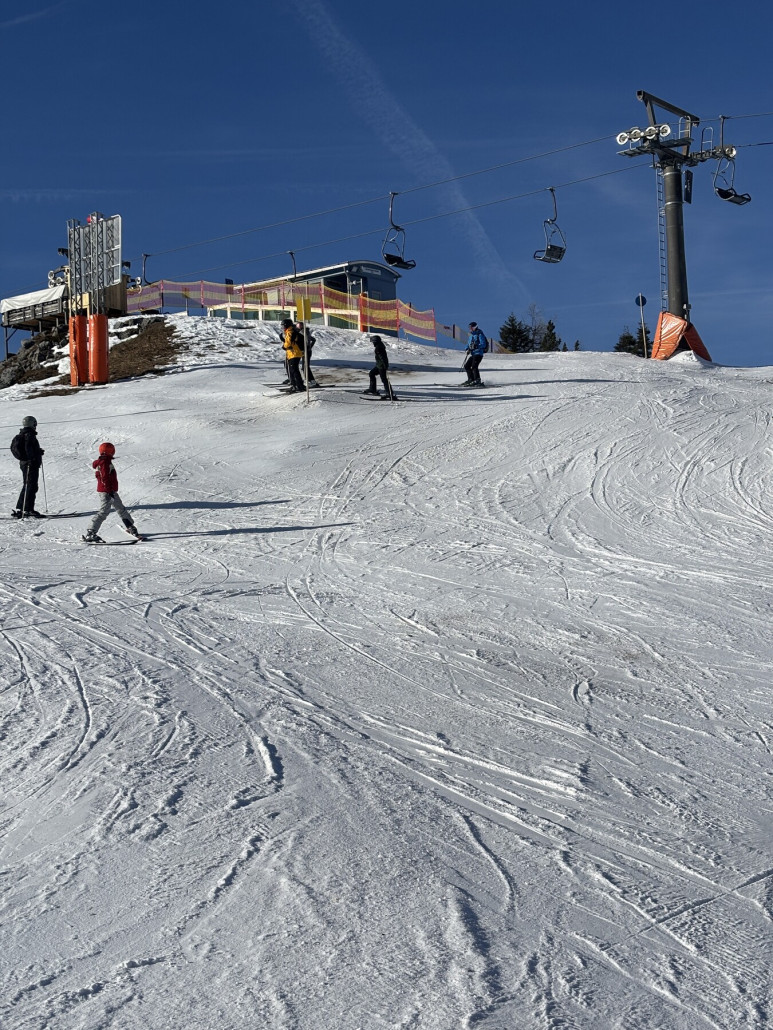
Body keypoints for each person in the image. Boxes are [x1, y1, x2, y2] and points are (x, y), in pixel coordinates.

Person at [82, 442, 142, 543]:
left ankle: (130, 526)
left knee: (120, 509)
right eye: (112, 450)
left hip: (110, 491)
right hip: (107, 491)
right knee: (104, 512)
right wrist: (109, 491)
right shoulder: (104, 462)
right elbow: (104, 478)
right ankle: (91, 533)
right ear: (110, 451)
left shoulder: (105, 461)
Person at [11, 415, 45, 518]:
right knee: (31, 486)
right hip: (30, 464)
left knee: (27, 485)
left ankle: (22, 508)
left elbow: (28, 449)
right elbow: (28, 449)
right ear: (32, 424)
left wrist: (38, 452)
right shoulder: (29, 435)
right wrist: (33, 458)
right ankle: (28, 509)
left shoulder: (23, 434)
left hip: (24, 463)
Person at [362, 334, 395, 399]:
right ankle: (372, 389)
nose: (372, 343)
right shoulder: (379, 346)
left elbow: (382, 357)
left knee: (384, 380)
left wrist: (385, 365)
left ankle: (389, 394)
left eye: (373, 342)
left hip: (382, 366)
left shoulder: (378, 348)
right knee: (371, 373)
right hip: (379, 365)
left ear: (375, 341)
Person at [281, 318, 305, 392]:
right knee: (293, 370)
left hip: (294, 353)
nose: (282, 328)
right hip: (293, 353)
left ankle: (298, 386)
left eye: (283, 326)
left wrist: (284, 346)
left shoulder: (290, 332)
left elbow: (288, 343)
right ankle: (297, 385)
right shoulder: (291, 331)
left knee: (294, 370)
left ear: (287, 325)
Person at [463, 321, 488, 386]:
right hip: (473, 354)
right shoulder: (471, 336)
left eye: (471, 327)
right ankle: (471, 379)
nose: (470, 328)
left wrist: (476, 346)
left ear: (475, 327)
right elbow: (468, 344)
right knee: (467, 366)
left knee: (474, 366)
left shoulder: (480, 334)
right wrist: (467, 348)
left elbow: (483, 344)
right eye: (469, 327)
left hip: (479, 354)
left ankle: (477, 379)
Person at [296, 321, 318, 387]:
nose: (297, 328)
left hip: (306, 351)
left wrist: (307, 347)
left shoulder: (303, 332)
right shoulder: (306, 331)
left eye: (298, 327)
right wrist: (310, 347)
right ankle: (311, 381)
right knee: (305, 366)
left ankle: (309, 381)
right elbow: (313, 339)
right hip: (306, 351)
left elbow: (306, 341)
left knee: (305, 367)